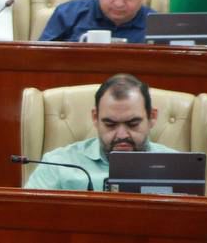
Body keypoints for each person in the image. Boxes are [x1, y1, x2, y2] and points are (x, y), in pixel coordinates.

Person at [24, 73, 174, 191]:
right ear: (95, 118)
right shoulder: (57, 165)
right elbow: (26, 215)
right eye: (110, 124)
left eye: (133, 124)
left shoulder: (178, 167)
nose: (122, 135)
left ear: (152, 117)